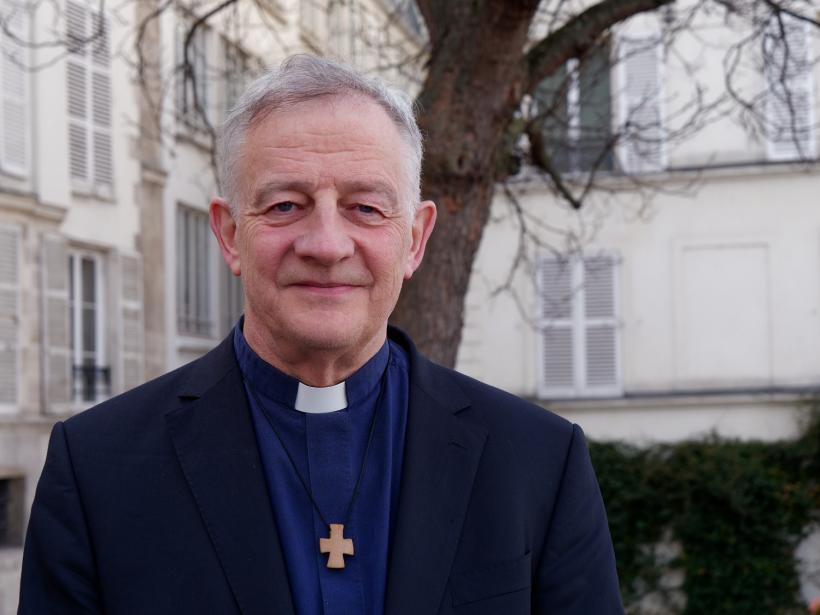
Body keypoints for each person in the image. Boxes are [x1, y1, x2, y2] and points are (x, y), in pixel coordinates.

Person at [19, 54, 623, 615]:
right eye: (285, 205)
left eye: (366, 208)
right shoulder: (97, 469)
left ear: (414, 239)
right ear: (230, 234)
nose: (328, 245)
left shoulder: (540, 461)